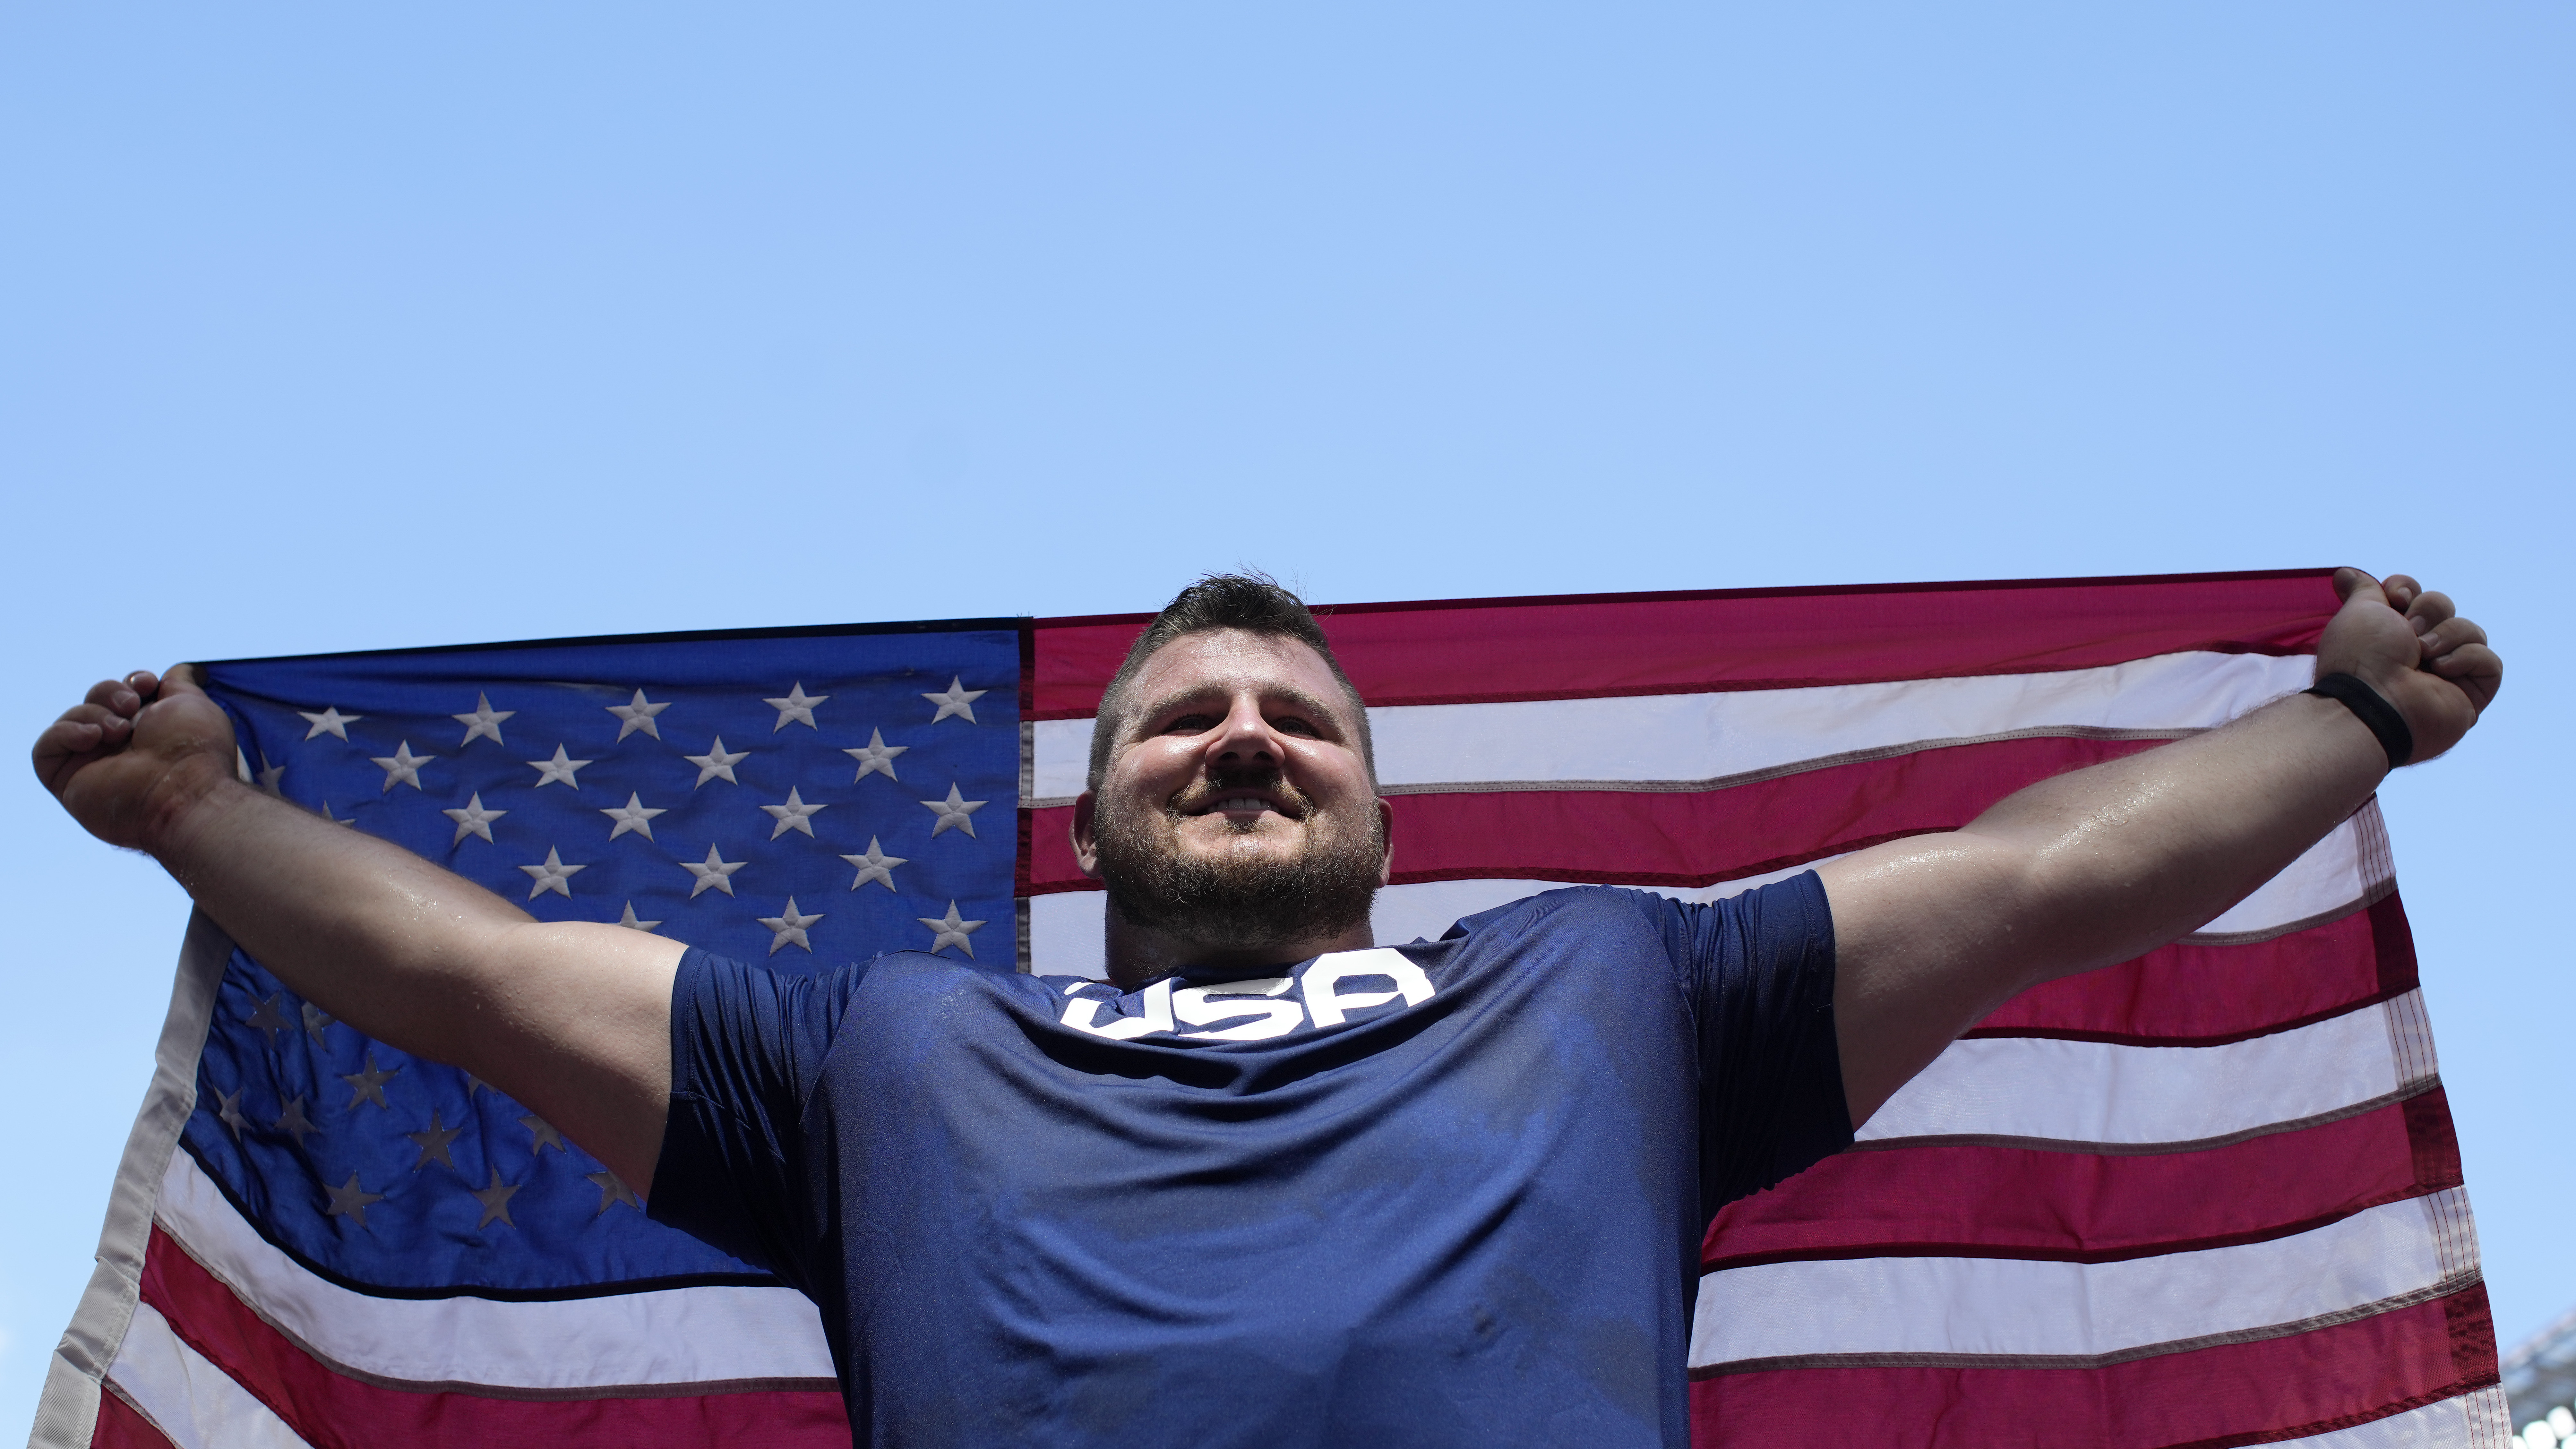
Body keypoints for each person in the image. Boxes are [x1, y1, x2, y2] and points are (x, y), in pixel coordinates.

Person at [33, 568, 2500, 1449]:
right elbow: (465, 970)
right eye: (1181, 721)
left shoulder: (1616, 985)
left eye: (1295, 718)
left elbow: (2031, 882)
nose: (1240, 736)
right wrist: (196, 815)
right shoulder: (882, 1047)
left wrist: (2346, 723)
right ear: (1091, 828)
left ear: (1374, 808)